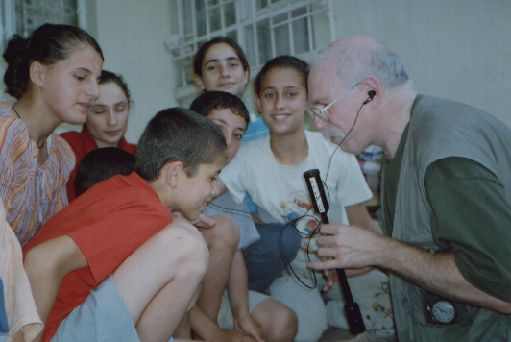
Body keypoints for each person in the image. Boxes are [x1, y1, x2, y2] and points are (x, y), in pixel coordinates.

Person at [307, 35, 511, 341]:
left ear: (369, 92)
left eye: (323, 107)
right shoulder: (406, 143)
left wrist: (380, 251)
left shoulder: (444, 159)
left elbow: (503, 290)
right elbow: (435, 254)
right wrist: (372, 258)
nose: (318, 125)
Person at [218, 55, 393, 341]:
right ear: (258, 103)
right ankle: (324, 314)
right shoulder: (247, 158)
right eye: (269, 95)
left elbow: (363, 225)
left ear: (308, 100)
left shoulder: (334, 150)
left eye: (291, 94)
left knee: (396, 309)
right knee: (303, 330)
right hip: (292, 273)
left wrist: (357, 261)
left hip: (342, 264)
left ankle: (335, 311)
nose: (280, 104)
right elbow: (210, 190)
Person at [23, 108, 227, 342]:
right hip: (52, 332)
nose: (213, 189)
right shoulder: (145, 213)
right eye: (211, 177)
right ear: (174, 174)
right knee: (187, 245)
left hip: (63, 324)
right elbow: (41, 261)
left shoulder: (126, 190)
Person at [190, 90, 298, 342]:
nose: (227, 141)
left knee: (283, 322)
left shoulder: (226, 189)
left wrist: (242, 313)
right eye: (218, 128)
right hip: (180, 302)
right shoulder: (173, 183)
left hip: (219, 296)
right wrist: (212, 332)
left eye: (237, 135)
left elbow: (235, 256)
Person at [0, 23, 103, 246]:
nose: (94, 92)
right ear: (38, 74)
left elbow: (48, 244)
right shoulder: (3, 133)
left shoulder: (59, 155)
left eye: (97, 80)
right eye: (80, 77)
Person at [61, 69, 136, 201]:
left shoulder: (140, 154)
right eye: (99, 111)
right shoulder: (65, 149)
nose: (112, 121)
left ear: (130, 107)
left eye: (120, 109)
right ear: (83, 112)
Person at [193, 36, 268, 142]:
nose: (225, 73)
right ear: (200, 80)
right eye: (212, 67)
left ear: (246, 75)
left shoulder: (268, 131)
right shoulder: (190, 136)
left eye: (232, 64)